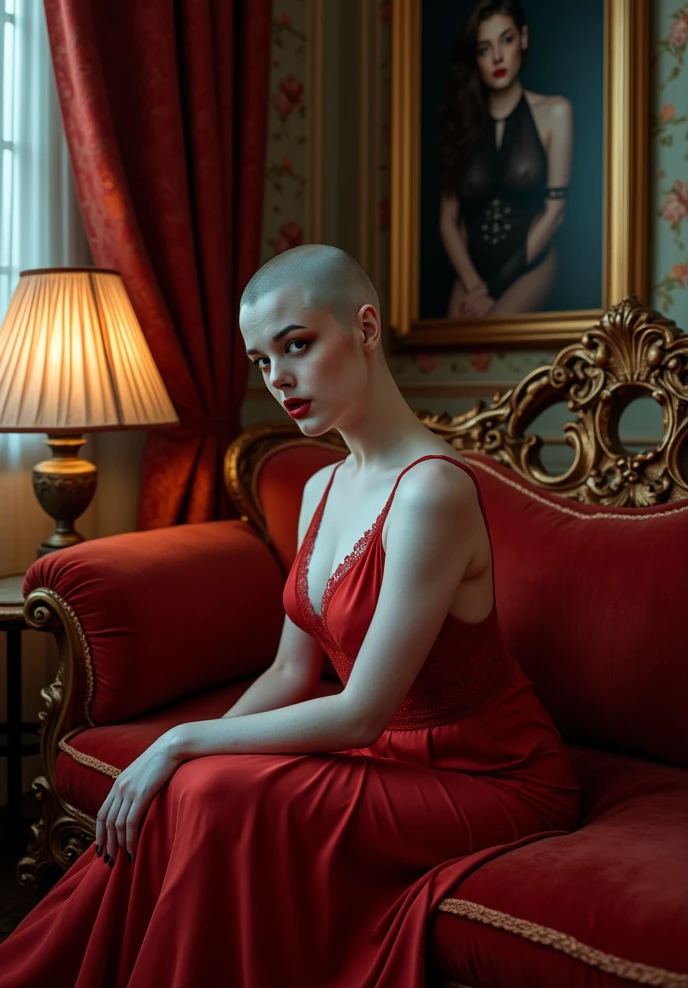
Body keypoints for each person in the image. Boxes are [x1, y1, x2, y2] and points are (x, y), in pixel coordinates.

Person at [0, 244, 580, 987]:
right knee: (195, 786)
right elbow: (289, 669)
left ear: (365, 330)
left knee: (202, 784)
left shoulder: (433, 493)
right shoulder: (319, 488)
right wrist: (194, 756)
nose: (278, 380)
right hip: (385, 758)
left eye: (297, 345)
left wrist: (180, 741)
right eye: (261, 361)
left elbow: (362, 713)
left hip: (494, 775)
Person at [437, 0, 573, 319]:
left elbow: (555, 213)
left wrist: (495, 287)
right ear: (477, 58)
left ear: (523, 39)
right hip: (472, 274)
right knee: (453, 355)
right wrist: (474, 286)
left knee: (494, 332)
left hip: (531, 265)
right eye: (485, 48)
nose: (497, 57)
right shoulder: (462, 123)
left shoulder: (555, 112)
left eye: (506, 40)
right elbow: (448, 222)